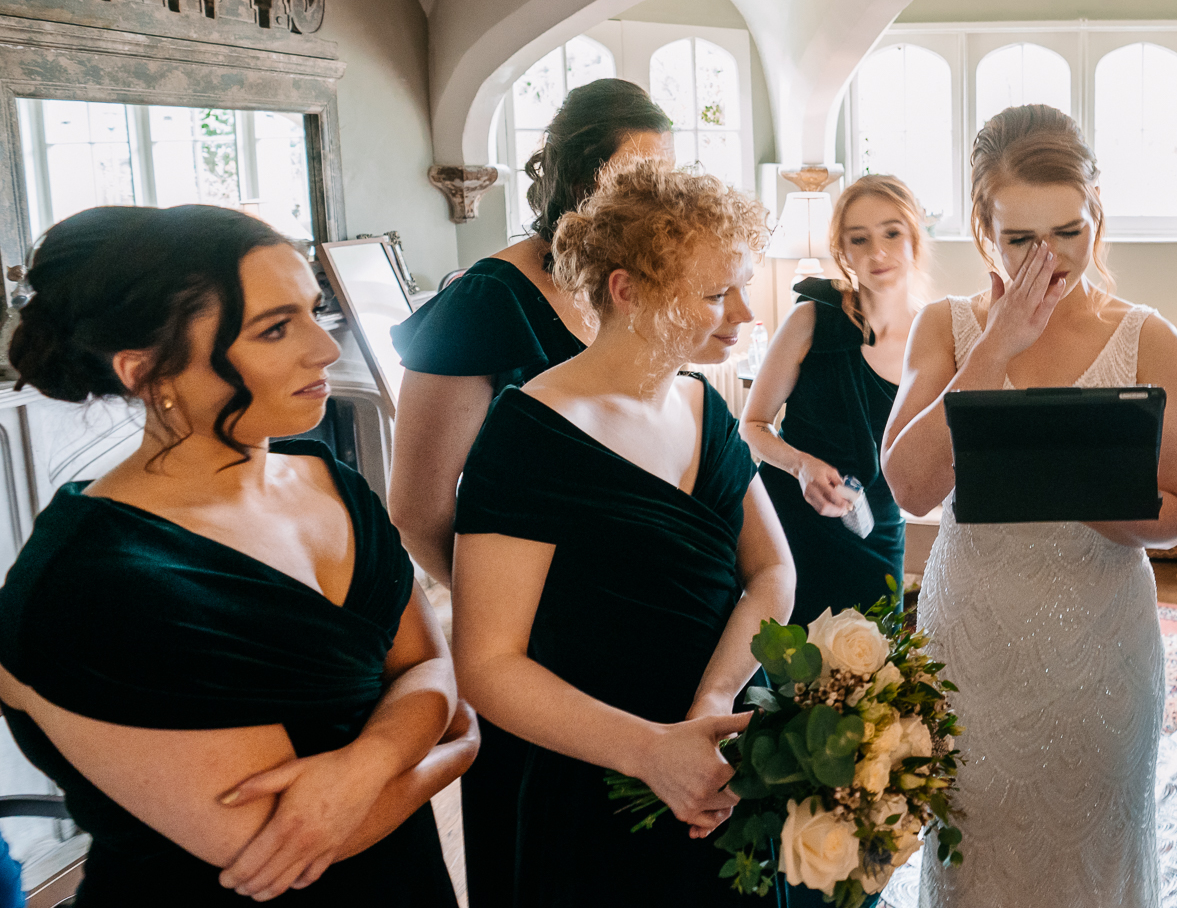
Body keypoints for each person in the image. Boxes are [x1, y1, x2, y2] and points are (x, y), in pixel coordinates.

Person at [0, 204, 475, 905]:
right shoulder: (90, 582)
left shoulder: (330, 481)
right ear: (147, 371)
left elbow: (430, 665)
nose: (324, 348)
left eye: (313, 312)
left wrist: (369, 759)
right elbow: (287, 849)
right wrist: (453, 748)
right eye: (276, 329)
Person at [451, 159, 794, 907]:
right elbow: (486, 663)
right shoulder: (530, 431)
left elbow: (774, 575)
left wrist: (712, 704)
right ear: (627, 290)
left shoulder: (705, 405)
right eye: (714, 293)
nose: (741, 311)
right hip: (596, 778)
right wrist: (649, 751)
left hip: (720, 767)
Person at [883, 105, 1177, 908]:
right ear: (983, 233)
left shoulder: (1148, 336)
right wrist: (996, 350)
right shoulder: (945, 328)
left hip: (1101, 639)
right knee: (975, 847)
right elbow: (910, 486)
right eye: (1020, 240)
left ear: (1098, 214)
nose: (1048, 261)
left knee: (1092, 842)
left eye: (1069, 231)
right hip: (973, 634)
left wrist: (1071, 487)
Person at [387, 77, 672, 906]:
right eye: (635, 176)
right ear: (576, 180)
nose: (656, 196)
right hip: (538, 651)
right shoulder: (487, 301)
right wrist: (512, 621)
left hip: (640, 632)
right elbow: (417, 506)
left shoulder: (630, 282)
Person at [742, 174, 930, 631]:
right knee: (782, 668)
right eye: (859, 239)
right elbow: (752, 425)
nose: (877, 252)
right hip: (788, 527)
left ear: (914, 239)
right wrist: (801, 464)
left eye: (891, 233)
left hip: (876, 532)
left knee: (870, 679)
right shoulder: (811, 317)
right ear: (842, 251)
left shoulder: (935, 337)